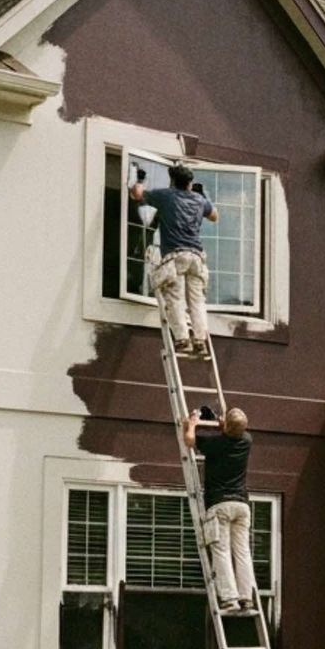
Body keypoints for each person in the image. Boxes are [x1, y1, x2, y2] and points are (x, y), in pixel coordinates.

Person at [131, 163, 219, 357]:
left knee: (175, 297)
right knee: (197, 301)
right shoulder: (198, 200)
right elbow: (214, 215)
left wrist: (139, 179)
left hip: (175, 256)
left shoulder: (166, 196)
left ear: (172, 181)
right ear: (190, 183)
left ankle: (182, 339)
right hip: (197, 257)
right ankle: (200, 341)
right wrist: (205, 196)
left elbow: (136, 195)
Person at [184, 405, 256, 612]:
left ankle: (229, 599)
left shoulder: (216, 444)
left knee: (221, 550)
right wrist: (225, 424)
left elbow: (189, 440)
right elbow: (231, 431)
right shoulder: (247, 440)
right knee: (242, 552)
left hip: (220, 504)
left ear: (226, 427)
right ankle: (246, 597)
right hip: (242, 505)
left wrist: (192, 424)